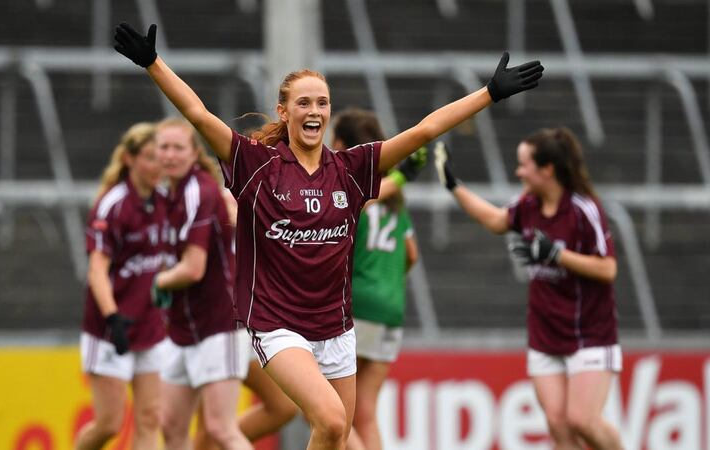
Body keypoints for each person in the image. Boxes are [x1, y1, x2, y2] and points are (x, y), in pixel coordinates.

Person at [114, 22, 543, 449]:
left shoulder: (351, 170)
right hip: (277, 325)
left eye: (322, 102)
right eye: (303, 103)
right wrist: (153, 63)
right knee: (333, 421)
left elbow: (423, 131)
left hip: (336, 329)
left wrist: (489, 93)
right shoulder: (257, 165)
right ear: (284, 112)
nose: (314, 111)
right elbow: (198, 114)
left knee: (336, 439)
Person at [435, 128, 623, 450]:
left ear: (547, 170)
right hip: (545, 335)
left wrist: (557, 255)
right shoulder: (528, 205)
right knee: (559, 428)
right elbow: (496, 221)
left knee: (582, 421)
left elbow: (608, 268)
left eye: (524, 164)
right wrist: (454, 186)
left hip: (589, 335)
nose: (518, 171)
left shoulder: (582, 209)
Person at [151, 118, 252, 450]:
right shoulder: (167, 193)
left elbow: (193, 269)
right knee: (171, 426)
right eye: (163, 147)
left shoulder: (200, 191)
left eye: (178, 147)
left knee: (221, 428)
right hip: (183, 328)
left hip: (218, 325)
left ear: (194, 152)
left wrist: (155, 282)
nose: (170, 154)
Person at [76, 122, 171, 450]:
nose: (157, 164)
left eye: (160, 157)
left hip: (149, 327)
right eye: (149, 157)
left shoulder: (164, 201)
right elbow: (97, 270)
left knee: (149, 418)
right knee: (109, 424)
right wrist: (113, 317)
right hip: (110, 330)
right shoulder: (113, 204)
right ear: (130, 160)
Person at [331, 108, 421, 450]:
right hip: (392, 309)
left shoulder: (351, 188)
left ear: (340, 143)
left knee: (329, 407)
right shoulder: (395, 197)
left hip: (360, 307)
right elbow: (410, 254)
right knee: (365, 413)